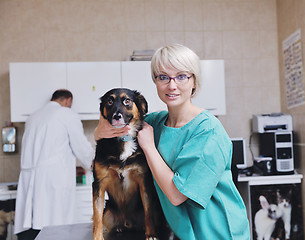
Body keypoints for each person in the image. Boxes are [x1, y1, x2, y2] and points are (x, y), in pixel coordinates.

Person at [94, 44, 250, 239]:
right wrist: (99, 131)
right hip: (179, 232)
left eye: (182, 76)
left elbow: (177, 195)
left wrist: (149, 147)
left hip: (215, 232)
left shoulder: (208, 131)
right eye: (163, 77)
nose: (172, 85)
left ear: (194, 81)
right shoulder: (155, 122)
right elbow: (107, 130)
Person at [14, 89, 94, 240]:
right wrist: (95, 165)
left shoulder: (33, 117)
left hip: (30, 180)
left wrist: (71, 166)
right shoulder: (67, 114)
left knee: (33, 226)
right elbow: (82, 148)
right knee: (55, 228)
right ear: (68, 101)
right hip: (52, 181)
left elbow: (44, 153)